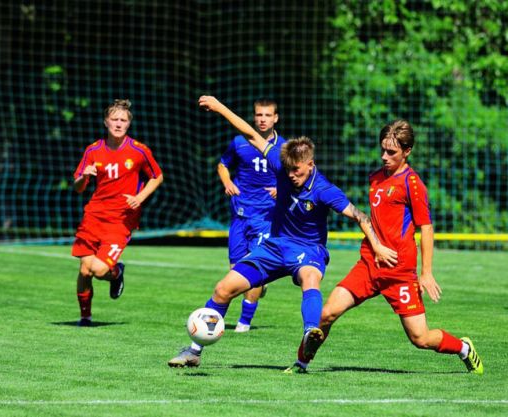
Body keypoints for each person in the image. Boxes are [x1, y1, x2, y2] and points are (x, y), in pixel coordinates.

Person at [167, 96, 397, 367]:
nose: (290, 176)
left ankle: (311, 331)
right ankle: (193, 352)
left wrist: (378, 246)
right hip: (275, 247)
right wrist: (219, 107)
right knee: (223, 289)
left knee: (310, 280)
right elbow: (250, 133)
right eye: (287, 170)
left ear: (310, 164)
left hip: (309, 249)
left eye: (296, 171)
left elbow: (359, 216)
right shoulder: (282, 163)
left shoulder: (324, 190)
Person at [287, 120, 483, 374]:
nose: (384, 156)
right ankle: (301, 363)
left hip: (399, 273)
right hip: (369, 265)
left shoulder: (413, 184)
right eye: (383, 150)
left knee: (420, 338)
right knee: (325, 314)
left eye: (391, 152)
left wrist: (426, 272)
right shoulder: (376, 178)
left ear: (407, 151)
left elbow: (426, 228)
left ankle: (463, 348)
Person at [72, 99, 163, 326]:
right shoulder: (93, 150)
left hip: (120, 219)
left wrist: (139, 198)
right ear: (106, 122)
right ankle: (85, 317)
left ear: (128, 124)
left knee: (100, 269)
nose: (119, 124)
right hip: (93, 215)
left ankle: (116, 273)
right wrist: (85, 176)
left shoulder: (139, 150)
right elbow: (78, 187)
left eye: (123, 120)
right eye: (114, 119)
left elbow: (157, 176)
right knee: (85, 270)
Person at [218, 98, 286, 333]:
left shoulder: (284, 148)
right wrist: (227, 182)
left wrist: (282, 188)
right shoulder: (239, 142)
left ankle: (244, 322)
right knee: (235, 271)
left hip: (266, 217)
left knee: (254, 266)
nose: (263, 119)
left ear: (276, 118)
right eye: (259, 115)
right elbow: (222, 165)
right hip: (239, 215)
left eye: (268, 115)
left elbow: (297, 176)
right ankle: (260, 286)